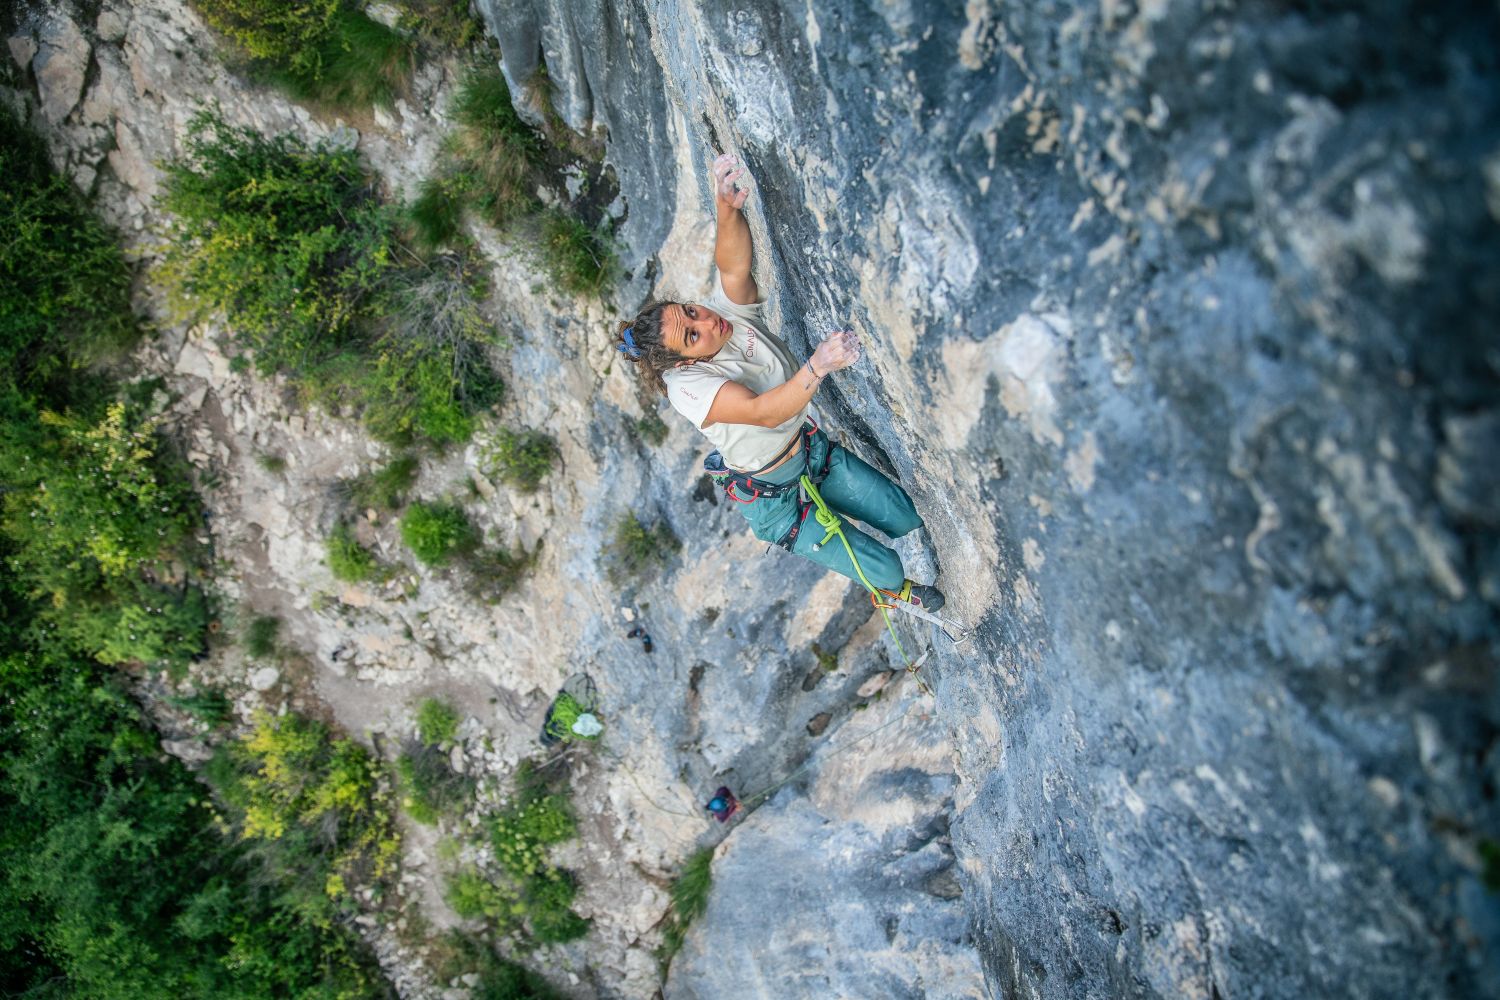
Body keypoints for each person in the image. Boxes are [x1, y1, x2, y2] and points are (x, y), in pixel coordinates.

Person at [613, 153, 943, 611]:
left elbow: (733, 269)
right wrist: (818, 366)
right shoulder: (687, 387)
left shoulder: (722, 319)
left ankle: (897, 562)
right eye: (692, 335)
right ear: (683, 361)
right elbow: (762, 412)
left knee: (902, 512)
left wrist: (725, 207)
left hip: (807, 450)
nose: (705, 322)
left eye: (690, 311)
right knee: (884, 568)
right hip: (774, 499)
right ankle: (895, 592)